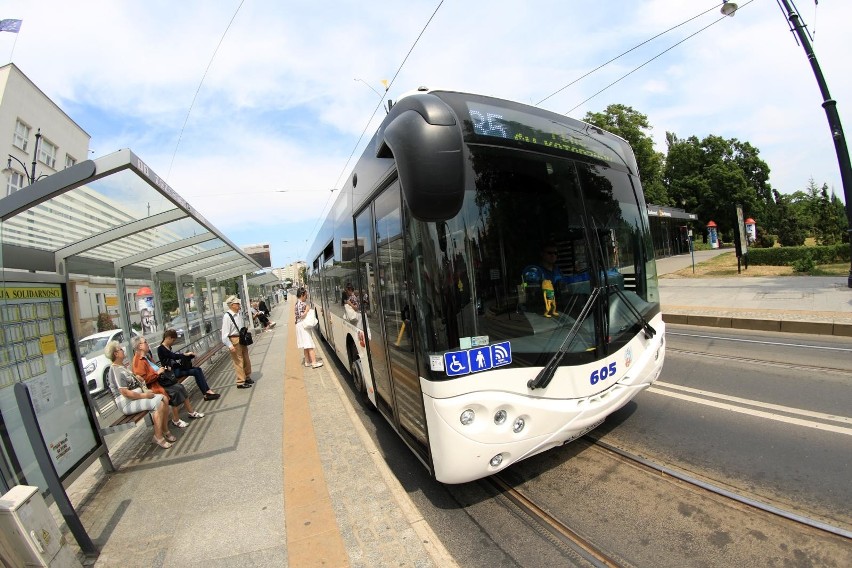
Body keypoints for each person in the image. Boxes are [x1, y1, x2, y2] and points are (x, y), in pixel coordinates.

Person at [104, 340, 176, 449]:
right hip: (127, 403)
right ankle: (158, 437)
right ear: (115, 354)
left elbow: (132, 382)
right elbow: (124, 392)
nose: (123, 351)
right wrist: (144, 396)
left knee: (164, 399)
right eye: (120, 349)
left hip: (134, 398)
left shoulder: (121, 367)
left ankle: (165, 430)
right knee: (159, 404)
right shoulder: (114, 370)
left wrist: (138, 379)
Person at [132, 337, 204, 428]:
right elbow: (143, 380)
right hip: (154, 386)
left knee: (180, 387)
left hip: (161, 380)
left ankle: (191, 412)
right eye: (145, 342)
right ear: (140, 346)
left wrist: (161, 370)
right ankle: (176, 420)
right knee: (174, 392)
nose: (147, 344)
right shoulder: (138, 361)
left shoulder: (147, 357)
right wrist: (157, 373)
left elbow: (155, 369)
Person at [157, 329, 220, 401]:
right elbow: (173, 356)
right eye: (173, 340)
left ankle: (207, 391)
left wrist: (187, 356)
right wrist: (186, 354)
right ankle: (206, 394)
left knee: (198, 369)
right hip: (173, 373)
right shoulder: (160, 349)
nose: (173, 342)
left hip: (177, 369)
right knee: (195, 371)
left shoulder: (168, 347)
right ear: (168, 338)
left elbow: (174, 357)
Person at [521, 243, 565, 317]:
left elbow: (564, 287)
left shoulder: (557, 269)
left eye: (555, 253)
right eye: (549, 253)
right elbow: (532, 293)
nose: (553, 255)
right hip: (541, 310)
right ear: (542, 254)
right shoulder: (535, 271)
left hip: (559, 308)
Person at [222, 295, 253, 388]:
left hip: (241, 338)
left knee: (246, 359)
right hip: (234, 339)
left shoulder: (239, 313)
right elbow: (224, 334)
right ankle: (240, 381)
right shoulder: (227, 316)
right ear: (231, 305)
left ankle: (247, 376)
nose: (239, 305)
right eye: (237, 303)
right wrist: (230, 345)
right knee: (238, 361)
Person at [295, 287, 323, 368]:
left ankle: (307, 361)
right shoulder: (301, 304)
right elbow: (302, 316)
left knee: (305, 345)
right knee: (309, 344)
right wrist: (307, 310)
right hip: (303, 326)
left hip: (299, 326)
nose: (306, 297)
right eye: (305, 295)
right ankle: (314, 362)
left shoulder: (296, 304)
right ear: (302, 295)